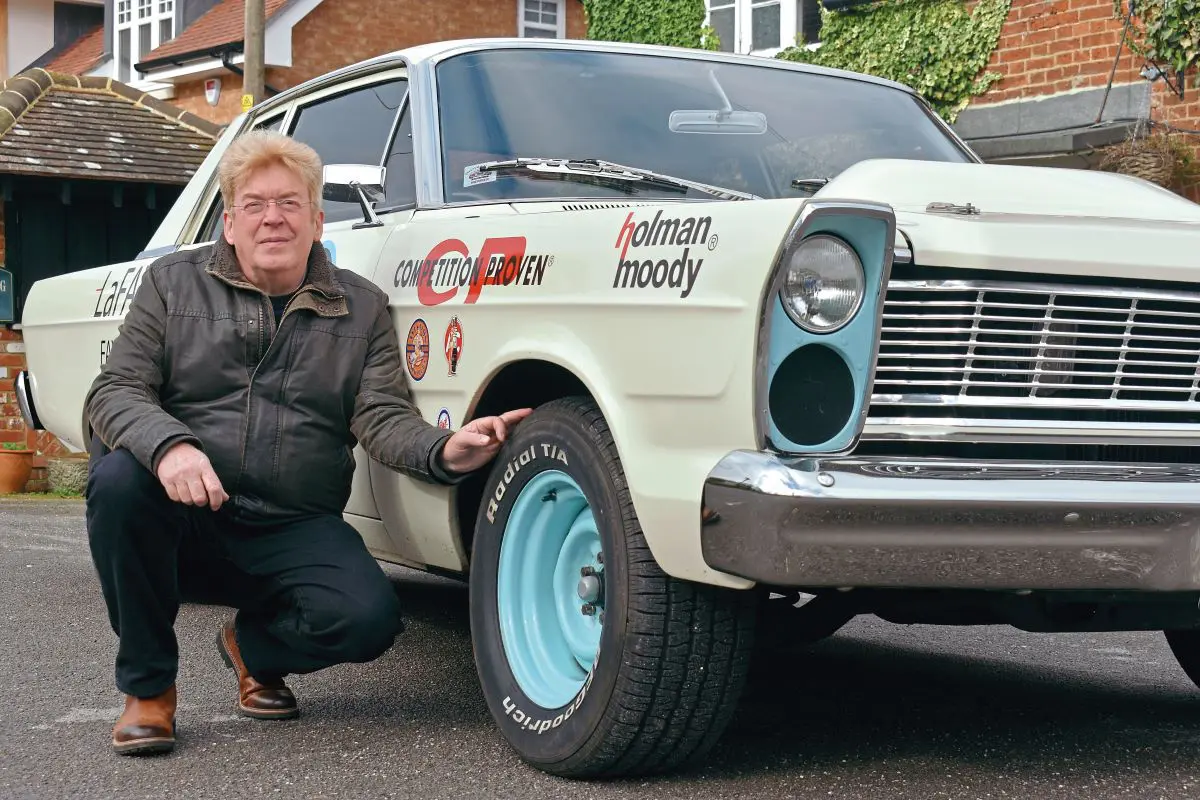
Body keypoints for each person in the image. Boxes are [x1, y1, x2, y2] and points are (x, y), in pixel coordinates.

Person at [83, 130, 530, 757]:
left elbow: (381, 416)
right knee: (119, 482)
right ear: (230, 221)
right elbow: (113, 391)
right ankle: (149, 690)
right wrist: (170, 448)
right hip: (186, 512)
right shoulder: (171, 284)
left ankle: (253, 649)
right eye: (256, 204)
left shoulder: (362, 307)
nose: (274, 218)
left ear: (318, 221)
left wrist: (444, 452)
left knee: (369, 620)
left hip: (291, 520)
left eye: (290, 204)